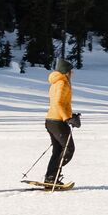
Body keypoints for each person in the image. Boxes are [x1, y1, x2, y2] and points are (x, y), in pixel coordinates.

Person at [41, 57, 78, 188]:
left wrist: (71, 115)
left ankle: (51, 177)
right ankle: (52, 176)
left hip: (51, 120)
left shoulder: (56, 83)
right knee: (68, 149)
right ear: (66, 72)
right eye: (70, 71)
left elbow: (62, 103)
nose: (72, 73)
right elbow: (57, 103)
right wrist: (67, 118)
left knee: (58, 150)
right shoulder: (62, 83)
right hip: (57, 121)